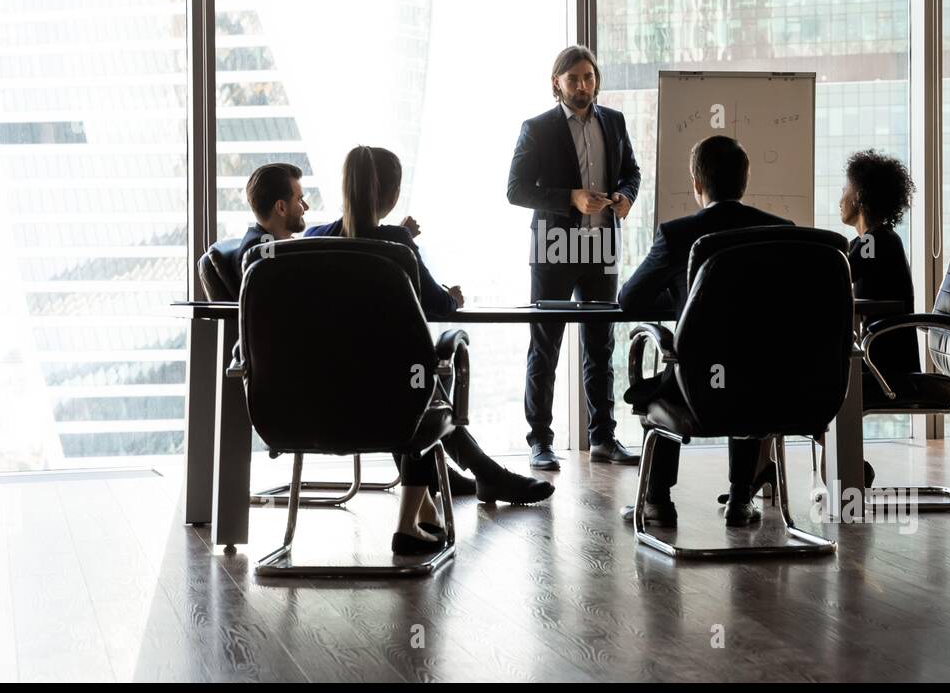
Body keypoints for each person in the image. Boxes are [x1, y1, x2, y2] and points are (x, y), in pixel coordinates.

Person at [305, 146, 555, 543]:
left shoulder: (312, 240)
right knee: (415, 387)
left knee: (401, 380)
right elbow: (439, 305)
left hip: (318, 402)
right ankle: (416, 521)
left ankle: (465, 486)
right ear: (389, 194)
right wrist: (451, 294)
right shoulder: (396, 243)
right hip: (390, 403)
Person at [616, 135, 791, 527]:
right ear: (744, 183)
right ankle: (741, 499)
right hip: (769, 382)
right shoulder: (781, 231)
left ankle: (657, 500)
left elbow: (629, 299)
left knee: (671, 377)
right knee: (745, 368)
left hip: (698, 384)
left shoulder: (677, 235)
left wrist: (678, 295)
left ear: (697, 184)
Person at [507, 45, 642, 471]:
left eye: (588, 77)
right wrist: (570, 198)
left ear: (595, 78)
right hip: (554, 248)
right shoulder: (537, 128)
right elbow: (516, 189)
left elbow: (632, 172)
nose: (582, 86)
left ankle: (603, 437)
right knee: (545, 346)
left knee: (601, 346)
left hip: (601, 244)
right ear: (556, 84)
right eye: (573, 80)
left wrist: (625, 197)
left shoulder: (615, 122)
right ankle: (540, 442)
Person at [836, 149, 919, 489]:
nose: (840, 197)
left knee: (810, 383)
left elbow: (834, 278)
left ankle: (854, 467)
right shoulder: (873, 242)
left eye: (845, 188)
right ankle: (854, 465)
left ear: (859, 196)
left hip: (882, 365)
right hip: (874, 357)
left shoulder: (875, 243)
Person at [235, 162, 309, 277]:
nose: (306, 207)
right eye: (299, 200)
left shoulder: (265, 242)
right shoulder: (263, 250)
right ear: (281, 207)